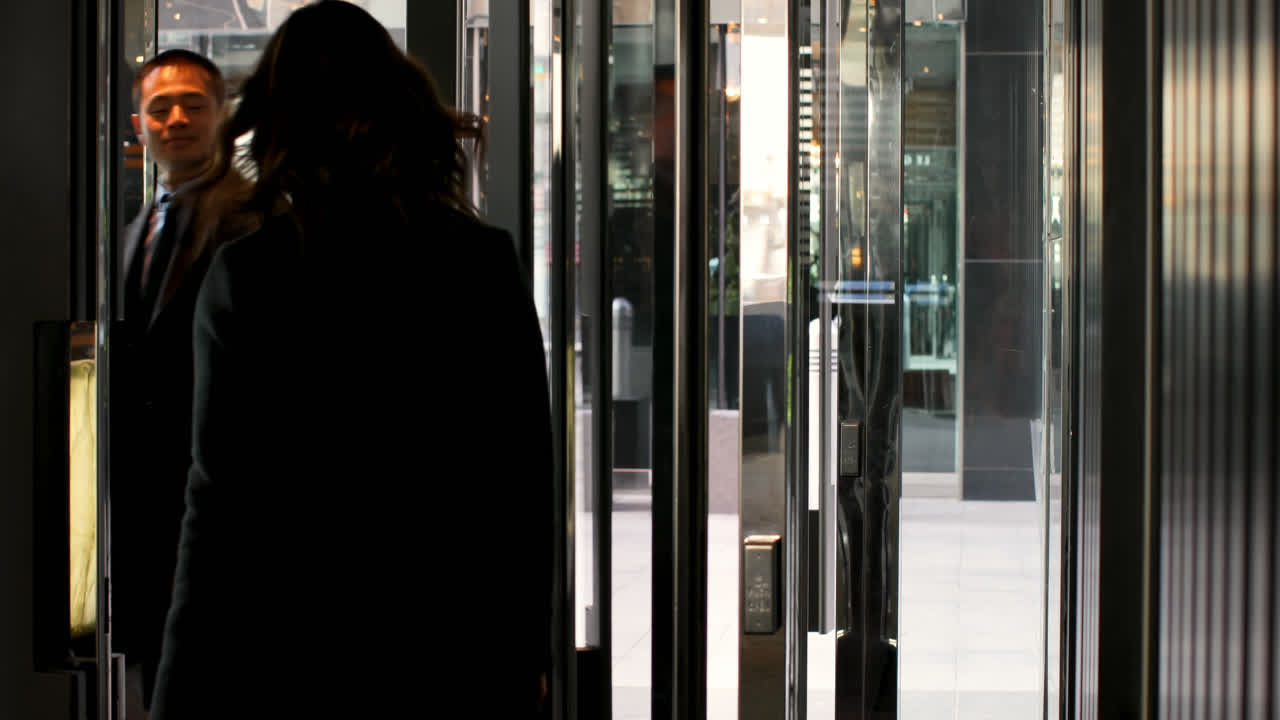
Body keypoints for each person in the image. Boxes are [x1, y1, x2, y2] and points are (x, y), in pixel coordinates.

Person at [148, 3, 554, 717]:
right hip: (449, 654)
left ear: (275, 124)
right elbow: (518, 484)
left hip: (293, 656)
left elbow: (218, 505)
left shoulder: (252, 275)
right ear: (406, 110)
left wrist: (176, 695)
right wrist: (523, 657)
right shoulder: (478, 263)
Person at [113, 48, 253, 717]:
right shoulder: (132, 231)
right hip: (143, 509)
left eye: (193, 104)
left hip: (222, 496)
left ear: (221, 114)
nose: (175, 119)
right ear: (139, 124)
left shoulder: (253, 220)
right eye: (158, 108)